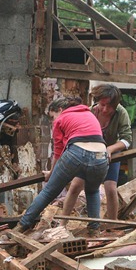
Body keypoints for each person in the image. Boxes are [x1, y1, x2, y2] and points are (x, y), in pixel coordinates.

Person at [14, 96, 109, 234]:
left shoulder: (61, 118)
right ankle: (94, 230)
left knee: (49, 192)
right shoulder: (89, 114)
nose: (53, 120)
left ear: (59, 109)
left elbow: (58, 151)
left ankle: (22, 225)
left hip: (76, 153)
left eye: (52, 117)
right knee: (92, 191)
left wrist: (52, 173)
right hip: (102, 157)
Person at [61, 84, 132, 222]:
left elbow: (127, 139)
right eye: (102, 104)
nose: (105, 109)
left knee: (110, 188)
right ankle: (62, 223)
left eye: (110, 106)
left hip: (110, 154)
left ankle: (112, 225)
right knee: (76, 186)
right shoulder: (89, 113)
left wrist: (110, 149)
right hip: (89, 154)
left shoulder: (121, 113)